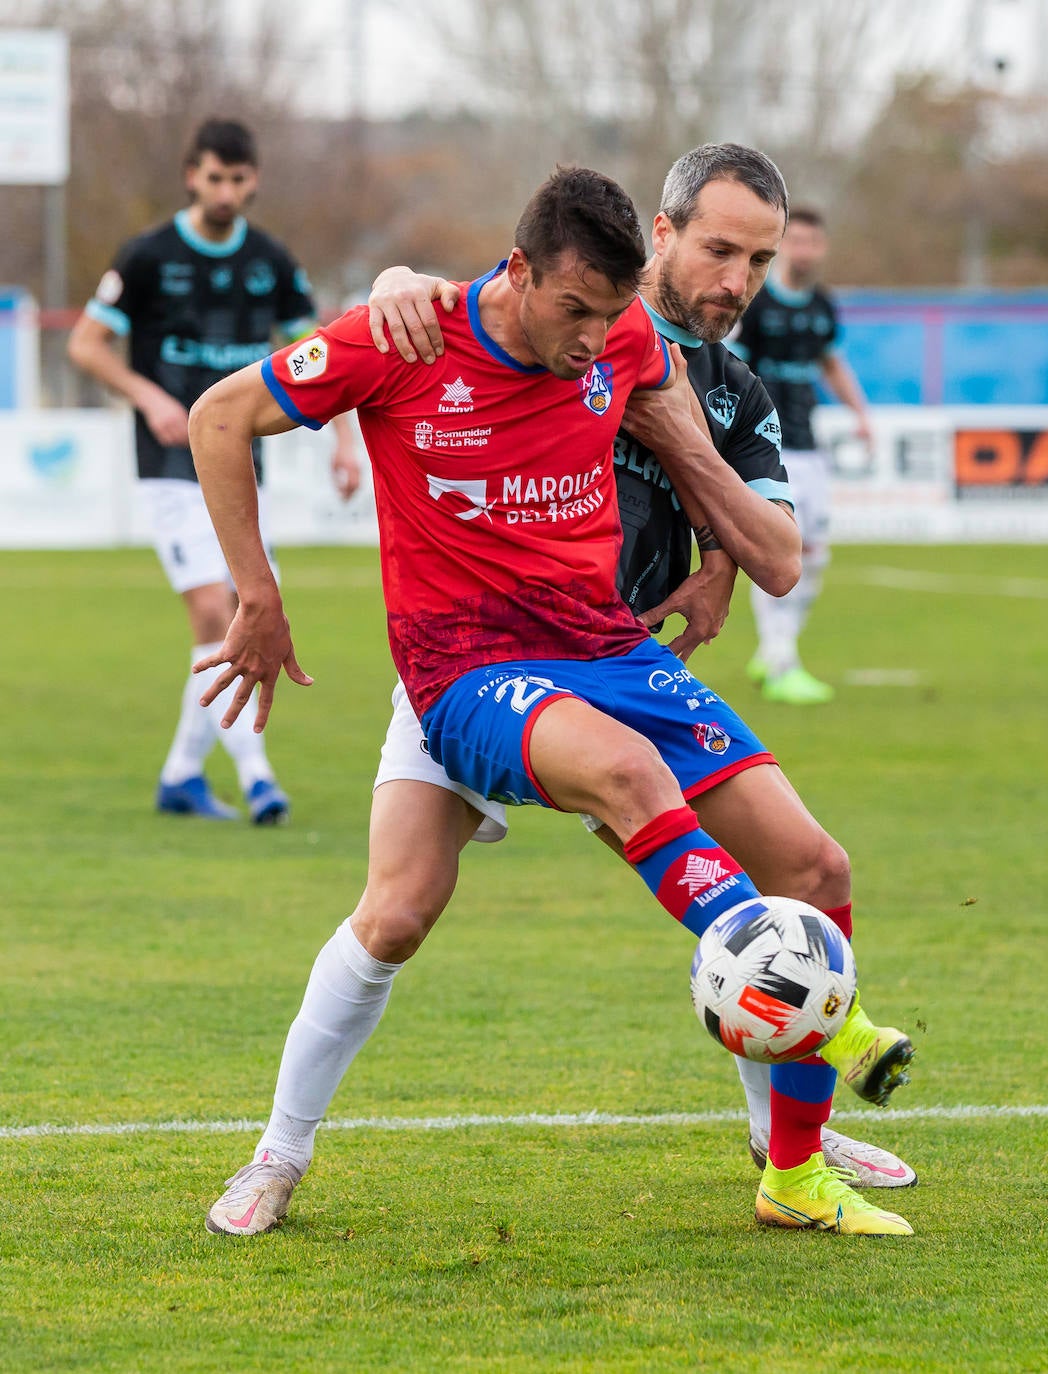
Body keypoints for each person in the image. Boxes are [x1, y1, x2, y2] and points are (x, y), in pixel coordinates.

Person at [190, 164, 916, 1240]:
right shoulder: (404, 335)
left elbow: (743, 510)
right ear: (518, 270)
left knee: (816, 866)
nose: (591, 339)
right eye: (572, 310)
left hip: (605, 649)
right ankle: (276, 1156)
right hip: (464, 667)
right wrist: (258, 592)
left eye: (610, 315)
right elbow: (219, 415)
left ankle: (793, 1174)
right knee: (399, 913)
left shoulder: (631, 338)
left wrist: (716, 544)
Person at [67, 117, 361, 823]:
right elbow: (86, 343)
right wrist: (149, 396)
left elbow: (323, 354)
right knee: (215, 610)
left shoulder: (270, 260)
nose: (225, 190)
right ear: (190, 176)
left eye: (237, 178)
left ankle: (180, 775)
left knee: (248, 613)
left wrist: (345, 444)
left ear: (252, 180)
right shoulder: (145, 255)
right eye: (213, 177)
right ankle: (259, 777)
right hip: (167, 463)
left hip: (237, 468)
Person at [732, 206, 872, 705]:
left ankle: (774, 651)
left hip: (808, 442)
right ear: (783, 244)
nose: (806, 251)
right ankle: (781, 660)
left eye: (815, 242)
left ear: (823, 248)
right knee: (781, 547)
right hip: (764, 444)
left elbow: (831, 363)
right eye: (798, 241)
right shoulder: (757, 302)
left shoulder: (822, 305)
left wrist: (861, 413)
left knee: (815, 551)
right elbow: (730, 368)